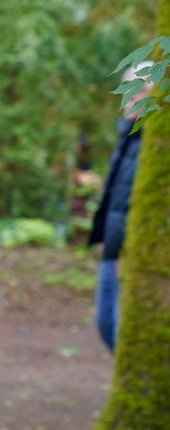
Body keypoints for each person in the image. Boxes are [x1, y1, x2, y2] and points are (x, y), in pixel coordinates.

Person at [88, 61, 153, 353]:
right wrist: (104, 237)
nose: (128, 100)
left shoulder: (153, 146)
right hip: (113, 251)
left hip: (131, 255)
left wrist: (132, 251)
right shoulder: (127, 135)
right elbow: (115, 195)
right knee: (105, 324)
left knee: (121, 330)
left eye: (136, 92)